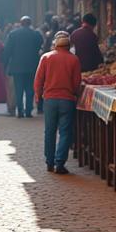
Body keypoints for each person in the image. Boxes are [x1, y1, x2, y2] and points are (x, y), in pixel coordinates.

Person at [34, 31, 81, 175]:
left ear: (55, 45)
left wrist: (38, 95)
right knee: (65, 132)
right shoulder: (74, 59)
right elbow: (76, 82)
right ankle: (60, 162)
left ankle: (49, 162)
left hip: (50, 99)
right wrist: (74, 93)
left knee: (50, 131)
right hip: (67, 99)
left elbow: (38, 79)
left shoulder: (46, 57)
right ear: (68, 46)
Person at [2, 15, 44, 117]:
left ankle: (20, 111)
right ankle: (28, 111)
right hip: (31, 66)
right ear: (30, 23)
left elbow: (8, 50)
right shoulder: (36, 34)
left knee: (18, 89)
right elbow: (40, 46)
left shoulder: (13, 34)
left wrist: (5, 64)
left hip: (17, 67)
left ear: (21, 23)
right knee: (30, 89)